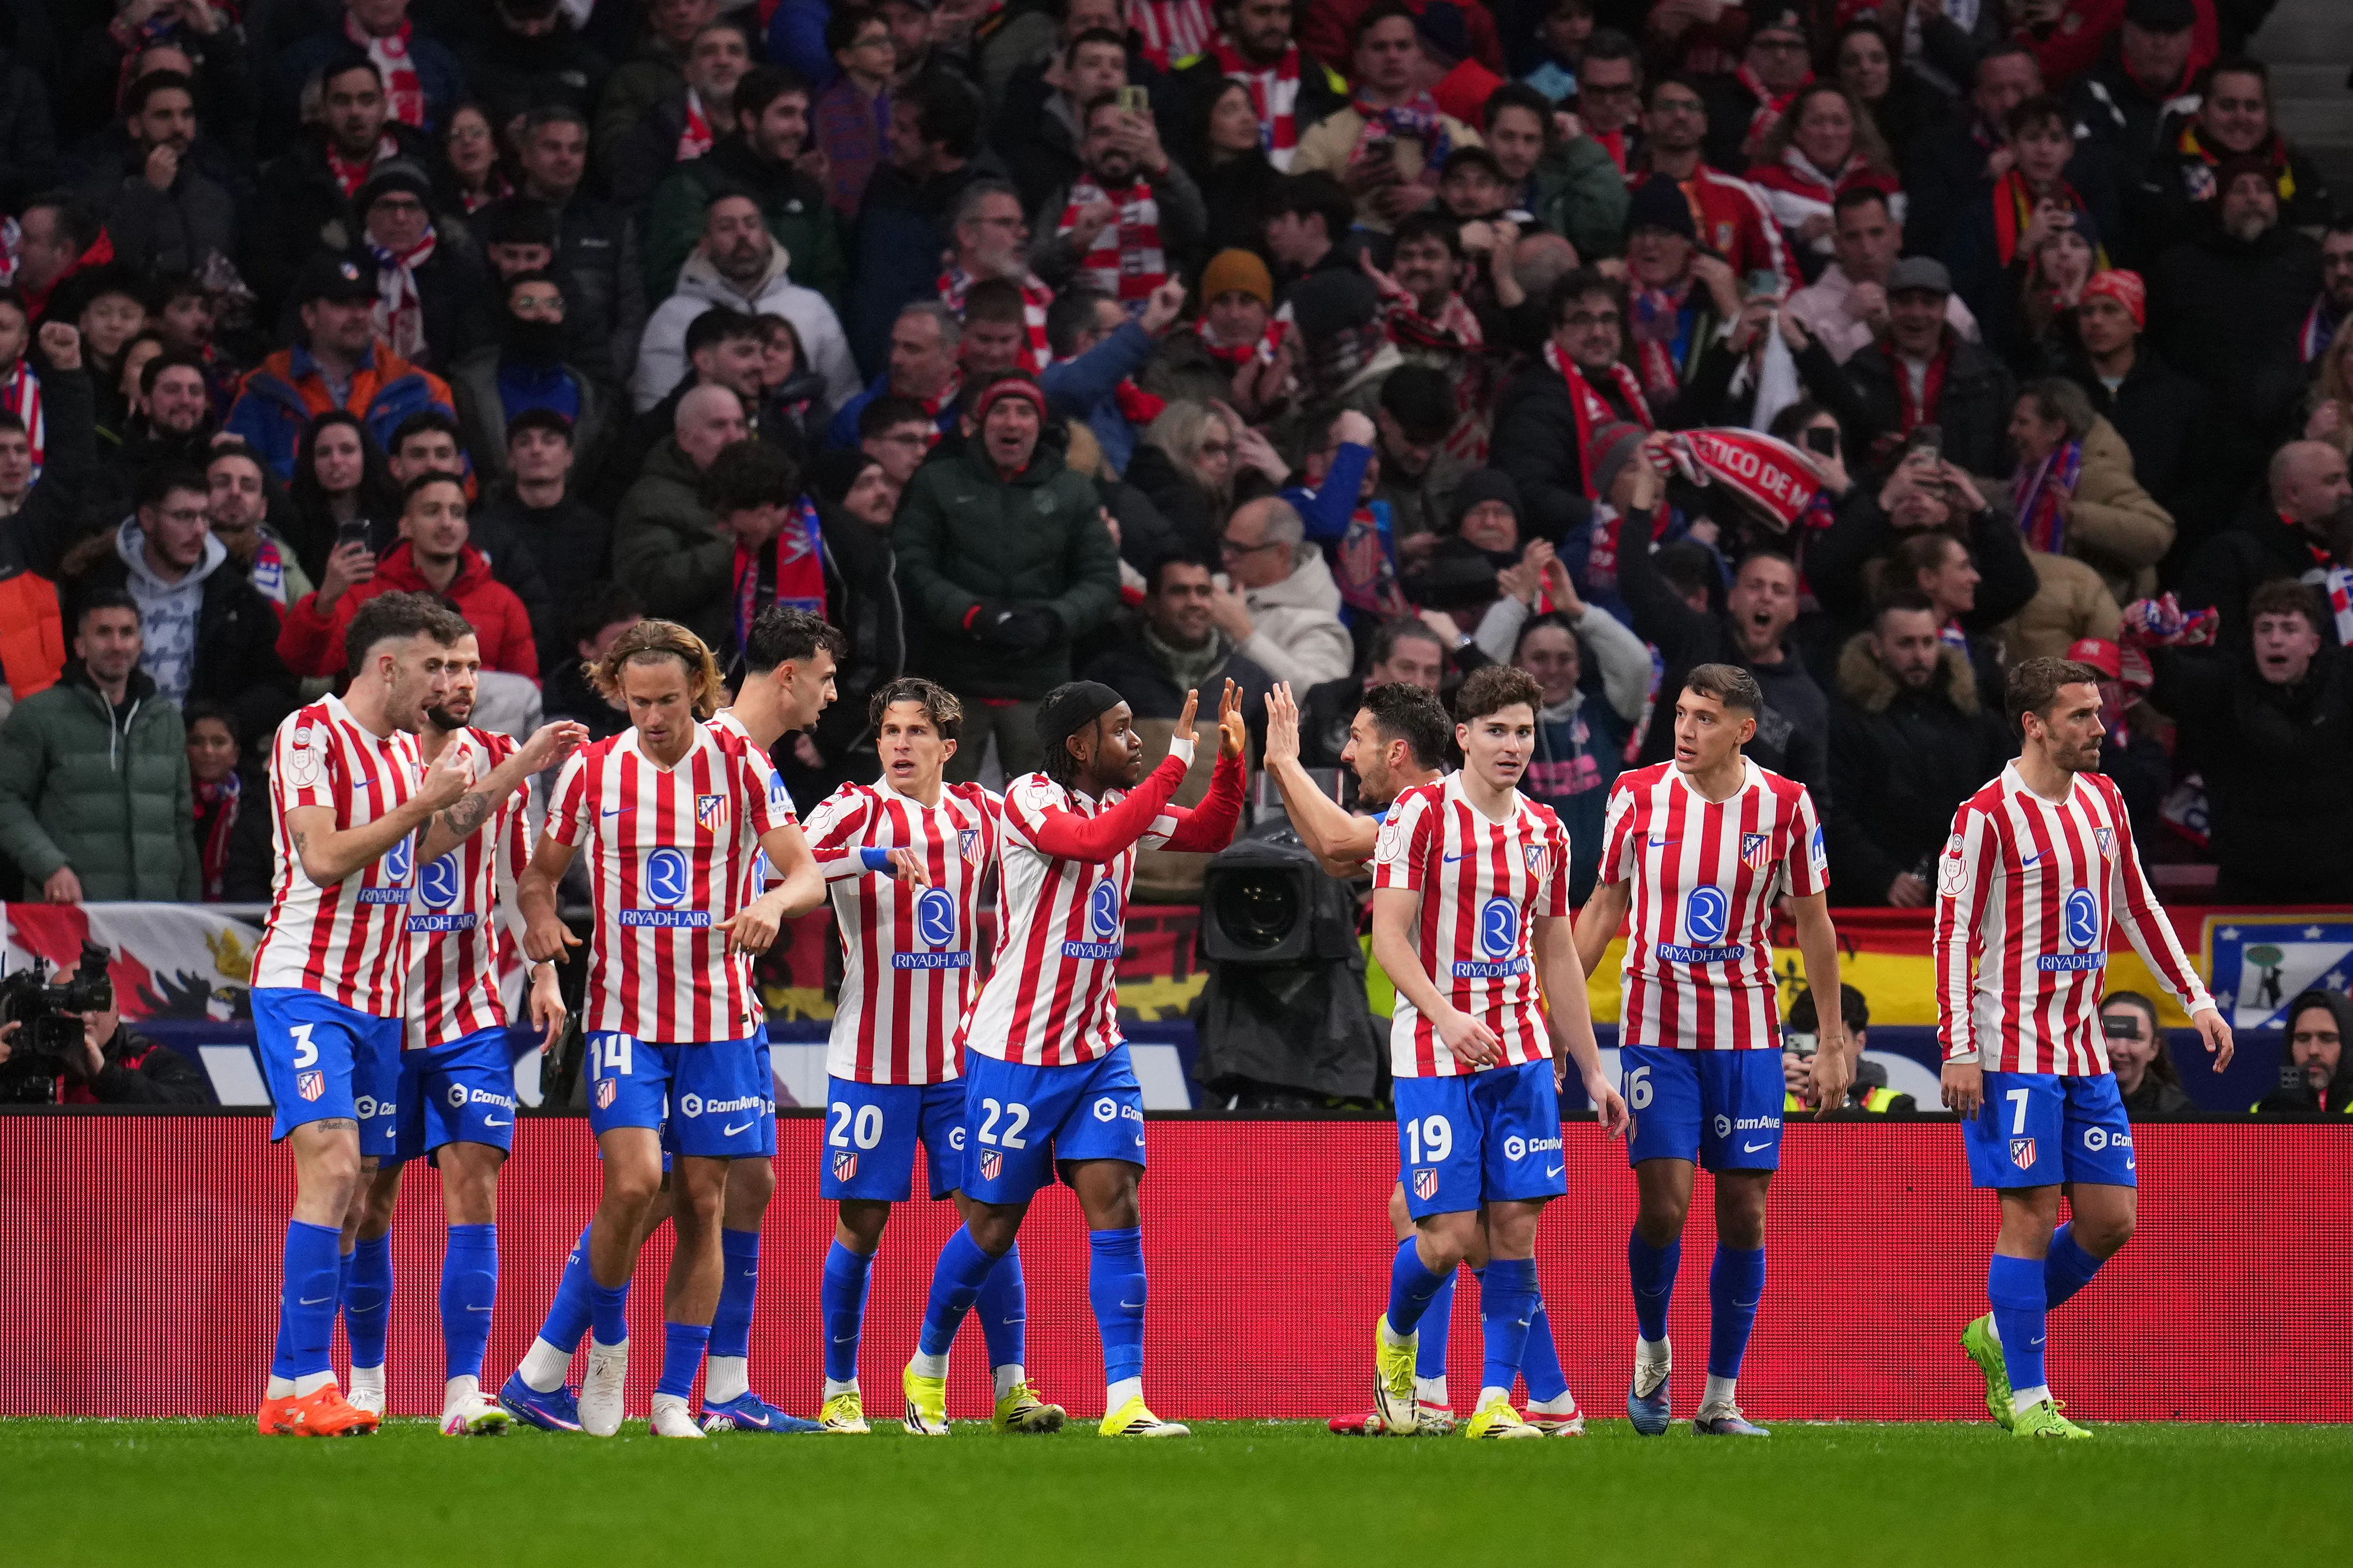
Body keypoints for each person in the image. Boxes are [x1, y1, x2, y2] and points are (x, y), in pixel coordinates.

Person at [250, 591, 564, 1438]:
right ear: (387, 666)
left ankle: (305, 1388)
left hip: (381, 1005)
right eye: (435, 665)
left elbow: (428, 844)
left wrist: (507, 775)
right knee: (338, 1170)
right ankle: (306, 1381)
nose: (449, 682)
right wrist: (424, 804)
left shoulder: (399, 757)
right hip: (306, 983)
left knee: (358, 1194)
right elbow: (322, 859)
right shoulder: (309, 733)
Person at [903, 678, 1244, 1438]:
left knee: (1116, 1203)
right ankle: (925, 1370)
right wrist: (1177, 759)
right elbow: (1088, 844)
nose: (1138, 744)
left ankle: (1125, 1400)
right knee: (992, 1227)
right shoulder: (1027, 799)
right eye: (1124, 731)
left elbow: (1212, 832)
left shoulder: (1124, 809)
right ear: (1081, 745)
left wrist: (1227, 761)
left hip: (1095, 1047)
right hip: (1016, 1048)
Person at [512, 618, 826, 1439]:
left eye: (669, 701)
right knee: (633, 1183)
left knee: (705, 1200)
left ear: (701, 693)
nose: (653, 718)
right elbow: (539, 880)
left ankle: (675, 1399)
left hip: (719, 1020)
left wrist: (767, 902)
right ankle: (608, 1351)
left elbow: (803, 873)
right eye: (638, 701)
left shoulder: (741, 765)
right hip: (625, 1019)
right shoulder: (592, 771)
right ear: (618, 694)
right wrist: (541, 926)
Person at [1938, 656, 2234, 1440]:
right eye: (2080, 716)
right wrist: (1959, 1047)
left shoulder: (2103, 799)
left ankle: (1999, 1331)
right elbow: (1951, 934)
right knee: (2029, 1215)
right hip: (2010, 1050)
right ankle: (2031, 1402)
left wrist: (2195, 999)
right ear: (2034, 724)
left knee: (2110, 1221)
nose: (2099, 728)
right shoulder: (1986, 815)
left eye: (2097, 713)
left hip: (2083, 1049)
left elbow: (2135, 903)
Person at [1571, 661, 1845, 1438]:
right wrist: (1552, 1019)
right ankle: (1652, 1346)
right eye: (1681, 713)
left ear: (1742, 730)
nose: (1685, 729)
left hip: (1748, 1034)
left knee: (1744, 1215)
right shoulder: (1636, 793)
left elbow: (1815, 923)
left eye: (1703, 718)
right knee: (1663, 1209)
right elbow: (1601, 906)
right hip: (1656, 1030)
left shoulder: (1785, 806)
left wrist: (1828, 1041)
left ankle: (1720, 1397)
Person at [798, 676, 1065, 1434]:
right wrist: (870, 861)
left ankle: (1011, 1388)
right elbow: (776, 872)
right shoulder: (850, 810)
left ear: (950, 746)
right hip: (871, 1059)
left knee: (990, 1216)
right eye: (889, 731)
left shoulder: (982, 811)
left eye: (917, 732)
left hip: (962, 1060)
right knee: (862, 1220)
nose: (901, 744)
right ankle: (840, 1388)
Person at [1367, 664, 1625, 1440]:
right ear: (1463, 735)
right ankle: (1397, 1341)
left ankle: (1492, 1402)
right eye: (1496, 731)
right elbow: (1387, 938)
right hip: (1436, 1055)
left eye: (1523, 731)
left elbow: (1556, 955)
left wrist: (1589, 1066)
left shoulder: (1545, 829)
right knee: (1444, 1239)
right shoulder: (1420, 814)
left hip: (1519, 1056)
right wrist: (1445, 1016)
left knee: (1515, 1234)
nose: (1512, 745)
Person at [334, 631, 582, 1436]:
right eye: (442, 666)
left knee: (474, 1183)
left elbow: (522, 876)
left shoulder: (497, 750)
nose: (462, 681)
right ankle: (367, 1384)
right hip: (379, 1010)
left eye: (471, 666)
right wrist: (515, 773)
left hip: (472, 1013)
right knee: (370, 1201)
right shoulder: (380, 758)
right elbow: (423, 838)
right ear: (403, 671)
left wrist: (543, 976)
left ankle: (460, 1391)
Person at [892, 374, 1121, 783]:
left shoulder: (1074, 492)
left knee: (1039, 816)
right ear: (980, 424)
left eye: (1024, 412)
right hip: (952, 683)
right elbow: (911, 567)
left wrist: (1055, 620)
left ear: (1040, 425)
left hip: (1040, 684)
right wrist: (974, 615)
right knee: (934, 810)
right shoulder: (937, 482)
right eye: (1000, 410)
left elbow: (1102, 579)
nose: (1011, 422)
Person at [2149, 580, 2353, 906]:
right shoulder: (2229, 681)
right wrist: (2151, 643)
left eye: (2289, 629)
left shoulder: (2344, 679)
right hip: (2248, 883)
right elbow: (2171, 685)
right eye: (2265, 629)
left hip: (2340, 883)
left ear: (2313, 643)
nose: (2275, 640)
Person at [0, 588, 196, 903]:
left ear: (140, 645)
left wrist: (191, 913)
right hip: (69, 919)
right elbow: (6, 800)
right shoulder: (37, 716)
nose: (117, 644)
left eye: (127, 633)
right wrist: (50, 867)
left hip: (157, 921)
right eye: (104, 632)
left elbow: (181, 825)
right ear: (80, 646)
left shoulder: (167, 719)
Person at [69, 463, 292, 738]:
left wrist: (223, 725)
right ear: (148, 520)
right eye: (184, 516)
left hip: (204, 757)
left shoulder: (239, 597)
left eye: (204, 516)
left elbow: (278, 685)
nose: (200, 530)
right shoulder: (96, 589)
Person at [1826, 593, 2012, 909]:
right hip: (1872, 903)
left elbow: (2005, 801)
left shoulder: (1974, 719)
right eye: (1906, 644)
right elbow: (1833, 811)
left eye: (1928, 642)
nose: (1919, 655)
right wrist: (1883, 876)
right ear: (1877, 647)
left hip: (1962, 898)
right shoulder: (1849, 720)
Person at [278, 474, 540, 684]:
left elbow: (522, 695)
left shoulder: (503, 603)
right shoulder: (366, 595)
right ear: (405, 526)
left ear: (467, 529)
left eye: (457, 513)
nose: (447, 523)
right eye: (432, 512)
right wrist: (325, 600)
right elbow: (307, 665)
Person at [2150, 157, 2323, 473]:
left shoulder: (2307, 260)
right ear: (2220, 202)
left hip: (2291, 421)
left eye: (2262, 189)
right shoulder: (2182, 266)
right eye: (2240, 190)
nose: (2253, 198)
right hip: (2206, 429)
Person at [224, 250, 458, 483]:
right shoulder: (261, 389)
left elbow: (457, 477)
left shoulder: (424, 389)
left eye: (363, 305)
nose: (358, 316)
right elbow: (238, 480)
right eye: (342, 304)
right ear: (309, 316)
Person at [636, 192, 861, 415]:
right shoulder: (674, 316)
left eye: (751, 224)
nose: (742, 234)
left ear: (765, 235)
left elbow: (844, 400)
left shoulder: (811, 306)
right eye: (726, 227)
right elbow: (656, 410)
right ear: (705, 244)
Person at [1795, 256, 2018, 478]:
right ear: (1889, 305)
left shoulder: (1990, 379)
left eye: (1929, 303)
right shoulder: (1857, 375)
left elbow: (2008, 464)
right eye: (1905, 301)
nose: (1916, 313)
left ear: (1946, 307)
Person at [645, 66, 848, 307]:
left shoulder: (808, 194)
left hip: (794, 336)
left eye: (803, 116)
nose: (800, 128)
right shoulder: (693, 185)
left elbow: (828, 284)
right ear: (749, 120)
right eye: (786, 114)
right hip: (715, 335)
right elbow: (674, 282)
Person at [1289, 3, 1483, 236]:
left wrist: (1435, 203)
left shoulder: (1459, 135)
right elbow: (1293, 216)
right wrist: (1344, 190)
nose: (1392, 56)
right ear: (1359, 60)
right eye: (1379, 47)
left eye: (1402, 46)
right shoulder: (1324, 135)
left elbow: (1486, 213)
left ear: (1419, 56)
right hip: (1353, 258)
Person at [1512, 595, 1649, 906]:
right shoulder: (1502, 728)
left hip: (1603, 906)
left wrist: (1579, 610)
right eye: (1540, 658)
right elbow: (1479, 677)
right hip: (1527, 907)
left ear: (1579, 665)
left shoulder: (1603, 713)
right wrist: (1513, 605)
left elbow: (1638, 664)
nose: (1552, 670)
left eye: (1565, 659)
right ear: (1518, 664)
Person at [469, 409, 613, 675]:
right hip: (506, 665)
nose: (537, 450)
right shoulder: (484, 530)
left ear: (569, 456)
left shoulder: (597, 529)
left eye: (549, 441)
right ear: (511, 459)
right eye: (524, 442)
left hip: (581, 667)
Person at [449, 270, 608, 493]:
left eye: (554, 304)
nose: (543, 313)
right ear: (505, 316)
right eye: (527, 303)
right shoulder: (465, 393)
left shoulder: (593, 400)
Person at [2182, 440, 2350, 651]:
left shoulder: (2342, 551)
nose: (2347, 491)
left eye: (2346, 479)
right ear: (2294, 493)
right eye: (2333, 481)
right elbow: (2211, 647)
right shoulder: (2232, 555)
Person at [1785, 188, 1979, 367]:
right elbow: (1798, 374)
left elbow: (1974, 369)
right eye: (1853, 237)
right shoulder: (1805, 306)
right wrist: (1843, 318)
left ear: (1897, 235)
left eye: (1876, 233)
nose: (1867, 249)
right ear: (1837, 245)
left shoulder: (1939, 302)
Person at [79, 70, 236, 281]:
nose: (179, 127)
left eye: (187, 115)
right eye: (164, 116)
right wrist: (149, 191)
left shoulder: (216, 197)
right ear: (135, 126)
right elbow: (103, 268)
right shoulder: (104, 189)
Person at [1170, 0, 1349, 175]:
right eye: (1263, 12)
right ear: (1230, 15)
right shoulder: (1190, 80)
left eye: (1284, 12)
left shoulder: (1321, 80)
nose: (1276, 24)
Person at [1212, 495, 1354, 692]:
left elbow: (1317, 696)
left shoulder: (1318, 625)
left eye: (1239, 549)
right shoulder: (1215, 585)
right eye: (1226, 545)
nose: (1225, 557)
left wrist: (1246, 636)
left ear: (1281, 552)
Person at [0, 976, 211, 1106]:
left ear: (118, 1014)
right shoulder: (22, 1056)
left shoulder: (151, 1060)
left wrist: (106, 1075)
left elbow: (194, 1113)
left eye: (97, 1003)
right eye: (72, 1004)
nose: (86, 1017)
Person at [811, 6, 896, 218]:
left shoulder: (902, 98)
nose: (888, 49)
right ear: (846, 57)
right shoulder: (831, 107)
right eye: (874, 43)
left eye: (888, 40)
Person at [1783, 983, 1905, 1113]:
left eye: (1834, 1043)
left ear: (1860, 1042)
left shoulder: (1897, 1106)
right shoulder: (1777, 1100)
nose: (1820, 1054)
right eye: (1814, 1043)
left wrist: (1841, 1103)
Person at [2251, 991, 2353, 1116]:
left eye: (2327, 1038)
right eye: (2303, 1039)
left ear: (2348, 1045)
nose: (2313, 1051)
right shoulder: (2264, 1112)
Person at [2100, 990, 2193, 1119]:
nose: (2121, 1050)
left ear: (2154, 1048)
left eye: (2135, 1038)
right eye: (2111, 1034)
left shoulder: (2175, 1112)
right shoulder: (2068, 1104)